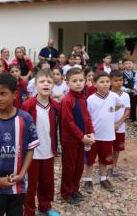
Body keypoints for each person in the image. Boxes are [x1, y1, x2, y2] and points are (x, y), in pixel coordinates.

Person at [0, 73, 40, 216]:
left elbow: (30, 148)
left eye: (3, 94)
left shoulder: (25, 118)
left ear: (14, 94)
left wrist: (22, 173)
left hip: (18, 183)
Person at [22, 69, 60, 216]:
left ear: (53, 86)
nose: (46, 84)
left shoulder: (56, 106)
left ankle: (45, 206)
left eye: (49, 82)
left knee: (47, 182)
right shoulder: (27, 106)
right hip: (32, 154)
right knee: (30, 185)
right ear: (35, 85)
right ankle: (29, 211)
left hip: (48, 152)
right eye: (42, 81)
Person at [61, 67, 95, 205]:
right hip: (70, 140)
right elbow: (68, 122)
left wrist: (91, 132)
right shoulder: (67, 100)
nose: (78, 83)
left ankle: (75, 189)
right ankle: (66, 193)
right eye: (74, 81)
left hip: (82, 139)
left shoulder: (83, 98)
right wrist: (81, 137)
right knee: (69, 167)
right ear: (67, 83)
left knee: (79, 166)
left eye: (81, 80)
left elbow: (87, 117)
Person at [83, 71, 122, 193]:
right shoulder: (91, 99)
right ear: (95, 84)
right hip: (93, 135)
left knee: (105, 158)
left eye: (107, 82)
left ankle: (103, 178)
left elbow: (119, 106)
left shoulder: (114, 97)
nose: (105, 84)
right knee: (90, 159)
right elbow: (87, 116)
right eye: (101, 82)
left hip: (108, 135)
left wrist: (110, 113)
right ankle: (88, 179)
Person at [108, 70, 130, 177]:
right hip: (107, 126)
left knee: (117, 148)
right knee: (106, 146)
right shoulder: (106, 94)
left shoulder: (125, 95)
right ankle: (104, 164)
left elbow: (127, 111)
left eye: (120, 80)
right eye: (115, 80)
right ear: (110, 81)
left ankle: (114, 165)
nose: (118, 82)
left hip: (120, 127)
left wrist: (118, 123)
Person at [122, 58, 137, 122]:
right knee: (125, 105)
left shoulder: (135, 73)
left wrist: (135, 88)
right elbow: (121, 85)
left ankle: (133, 118)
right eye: (127, 63)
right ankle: (124, 117)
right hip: (125, 92)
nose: (129, 65)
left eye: (130, 63)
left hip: (134, 92)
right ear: (123, 65)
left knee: (133, 105)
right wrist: (128, 90)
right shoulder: (122, 74)